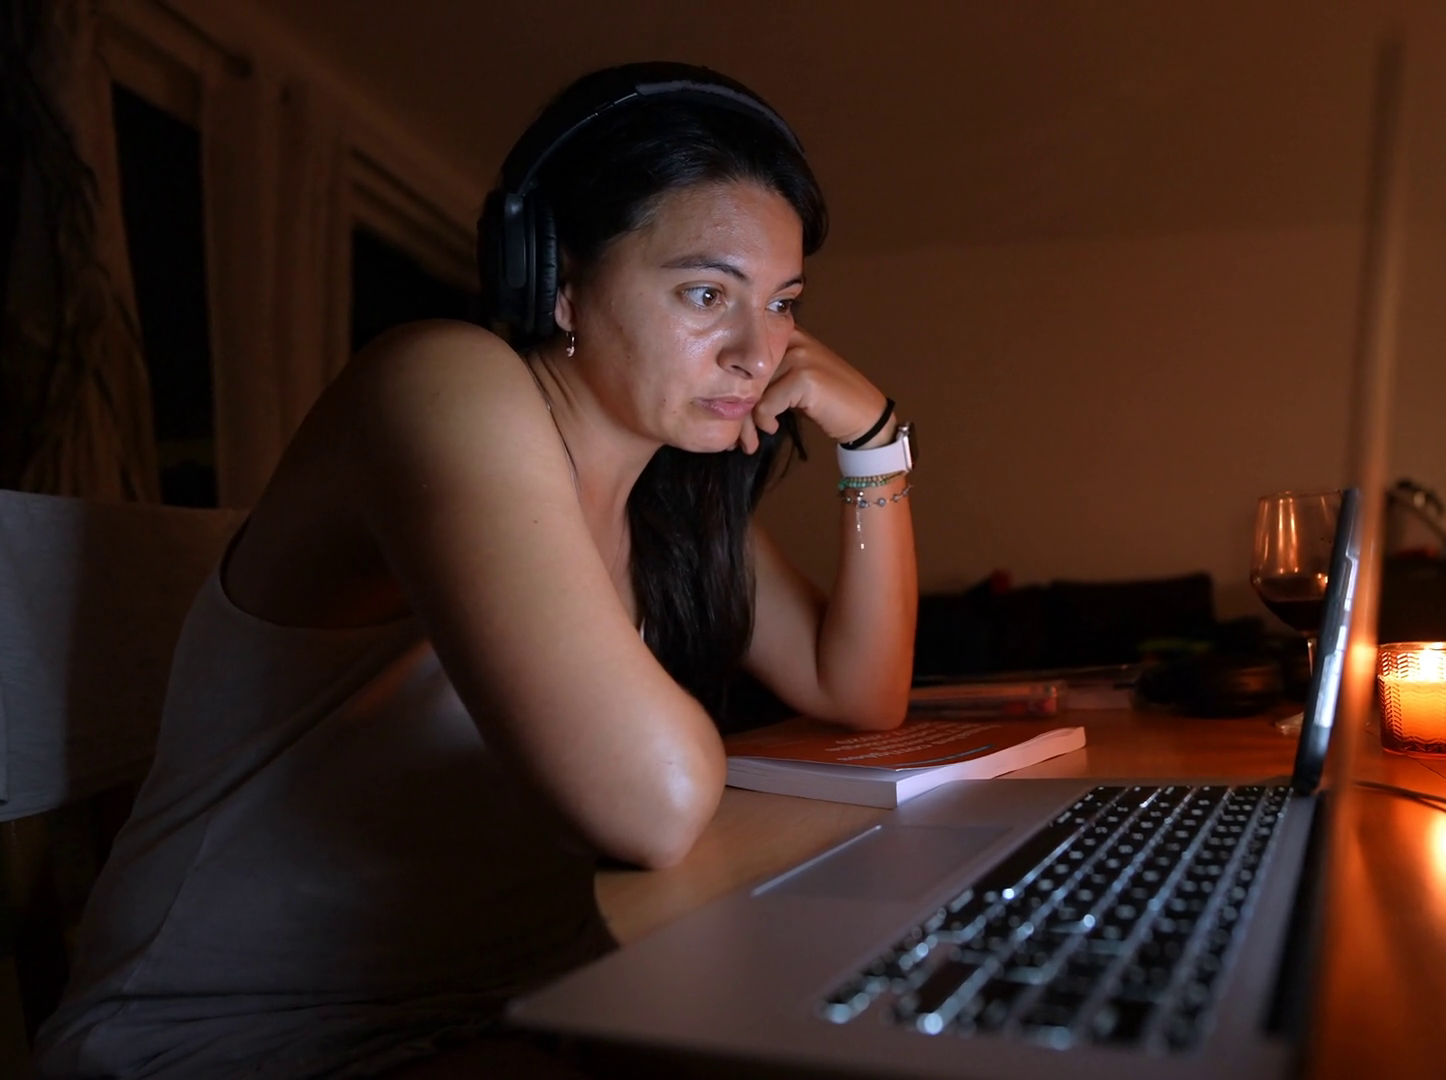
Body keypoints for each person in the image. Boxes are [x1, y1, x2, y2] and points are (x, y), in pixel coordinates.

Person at [34, 62, 916, 1079]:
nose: (758, 353)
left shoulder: (671, 495)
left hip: (510, 1005)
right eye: (707, 292)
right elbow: (658, 801)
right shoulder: (439, 384)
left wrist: (877, 444)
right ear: (556, 280)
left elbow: (861, 691)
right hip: (236, 1041)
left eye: (783, 303)